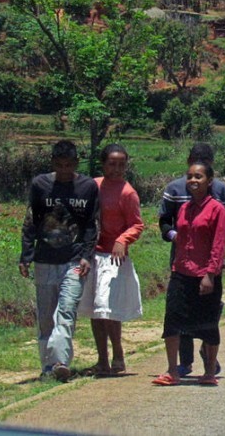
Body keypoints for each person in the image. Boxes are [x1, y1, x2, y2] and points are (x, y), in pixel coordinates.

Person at [19, 140, 99, 382]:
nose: (64, 170)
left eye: (69, 165)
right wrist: (26, 256)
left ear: (76, 163)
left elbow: (92, 225)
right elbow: (30, 221)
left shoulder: (87, 187)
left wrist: (86, 255)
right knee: (46, 317)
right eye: (60, 165)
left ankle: (61, 362)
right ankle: (47, 367)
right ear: (53, 163)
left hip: (74, 260)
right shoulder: (40, 185)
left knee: (66, 310)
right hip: (45, 260)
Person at [159, 143, 225, 378]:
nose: (193, 180)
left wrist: (210, 273)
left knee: (207, 323)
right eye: (190, 176)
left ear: (209, 180)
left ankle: (209, 371)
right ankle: (174, 370)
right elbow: (171, 228)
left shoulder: (217, 208)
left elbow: (219, 242)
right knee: (174, 321)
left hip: (205, 273)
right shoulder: (183, 207)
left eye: (198, 176)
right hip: (181, 270)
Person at [78, 144, 144, 376]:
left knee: (108, 309)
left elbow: (137, 224)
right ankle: (102, 360)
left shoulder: (128, 193)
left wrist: (123, 239)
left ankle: (118, 353)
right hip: (92, 256)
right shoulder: (93, 186)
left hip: (113, 258)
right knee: (95, 310)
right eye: (112, 164)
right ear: (103, 164)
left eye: (121, 165)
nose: (116, 169)